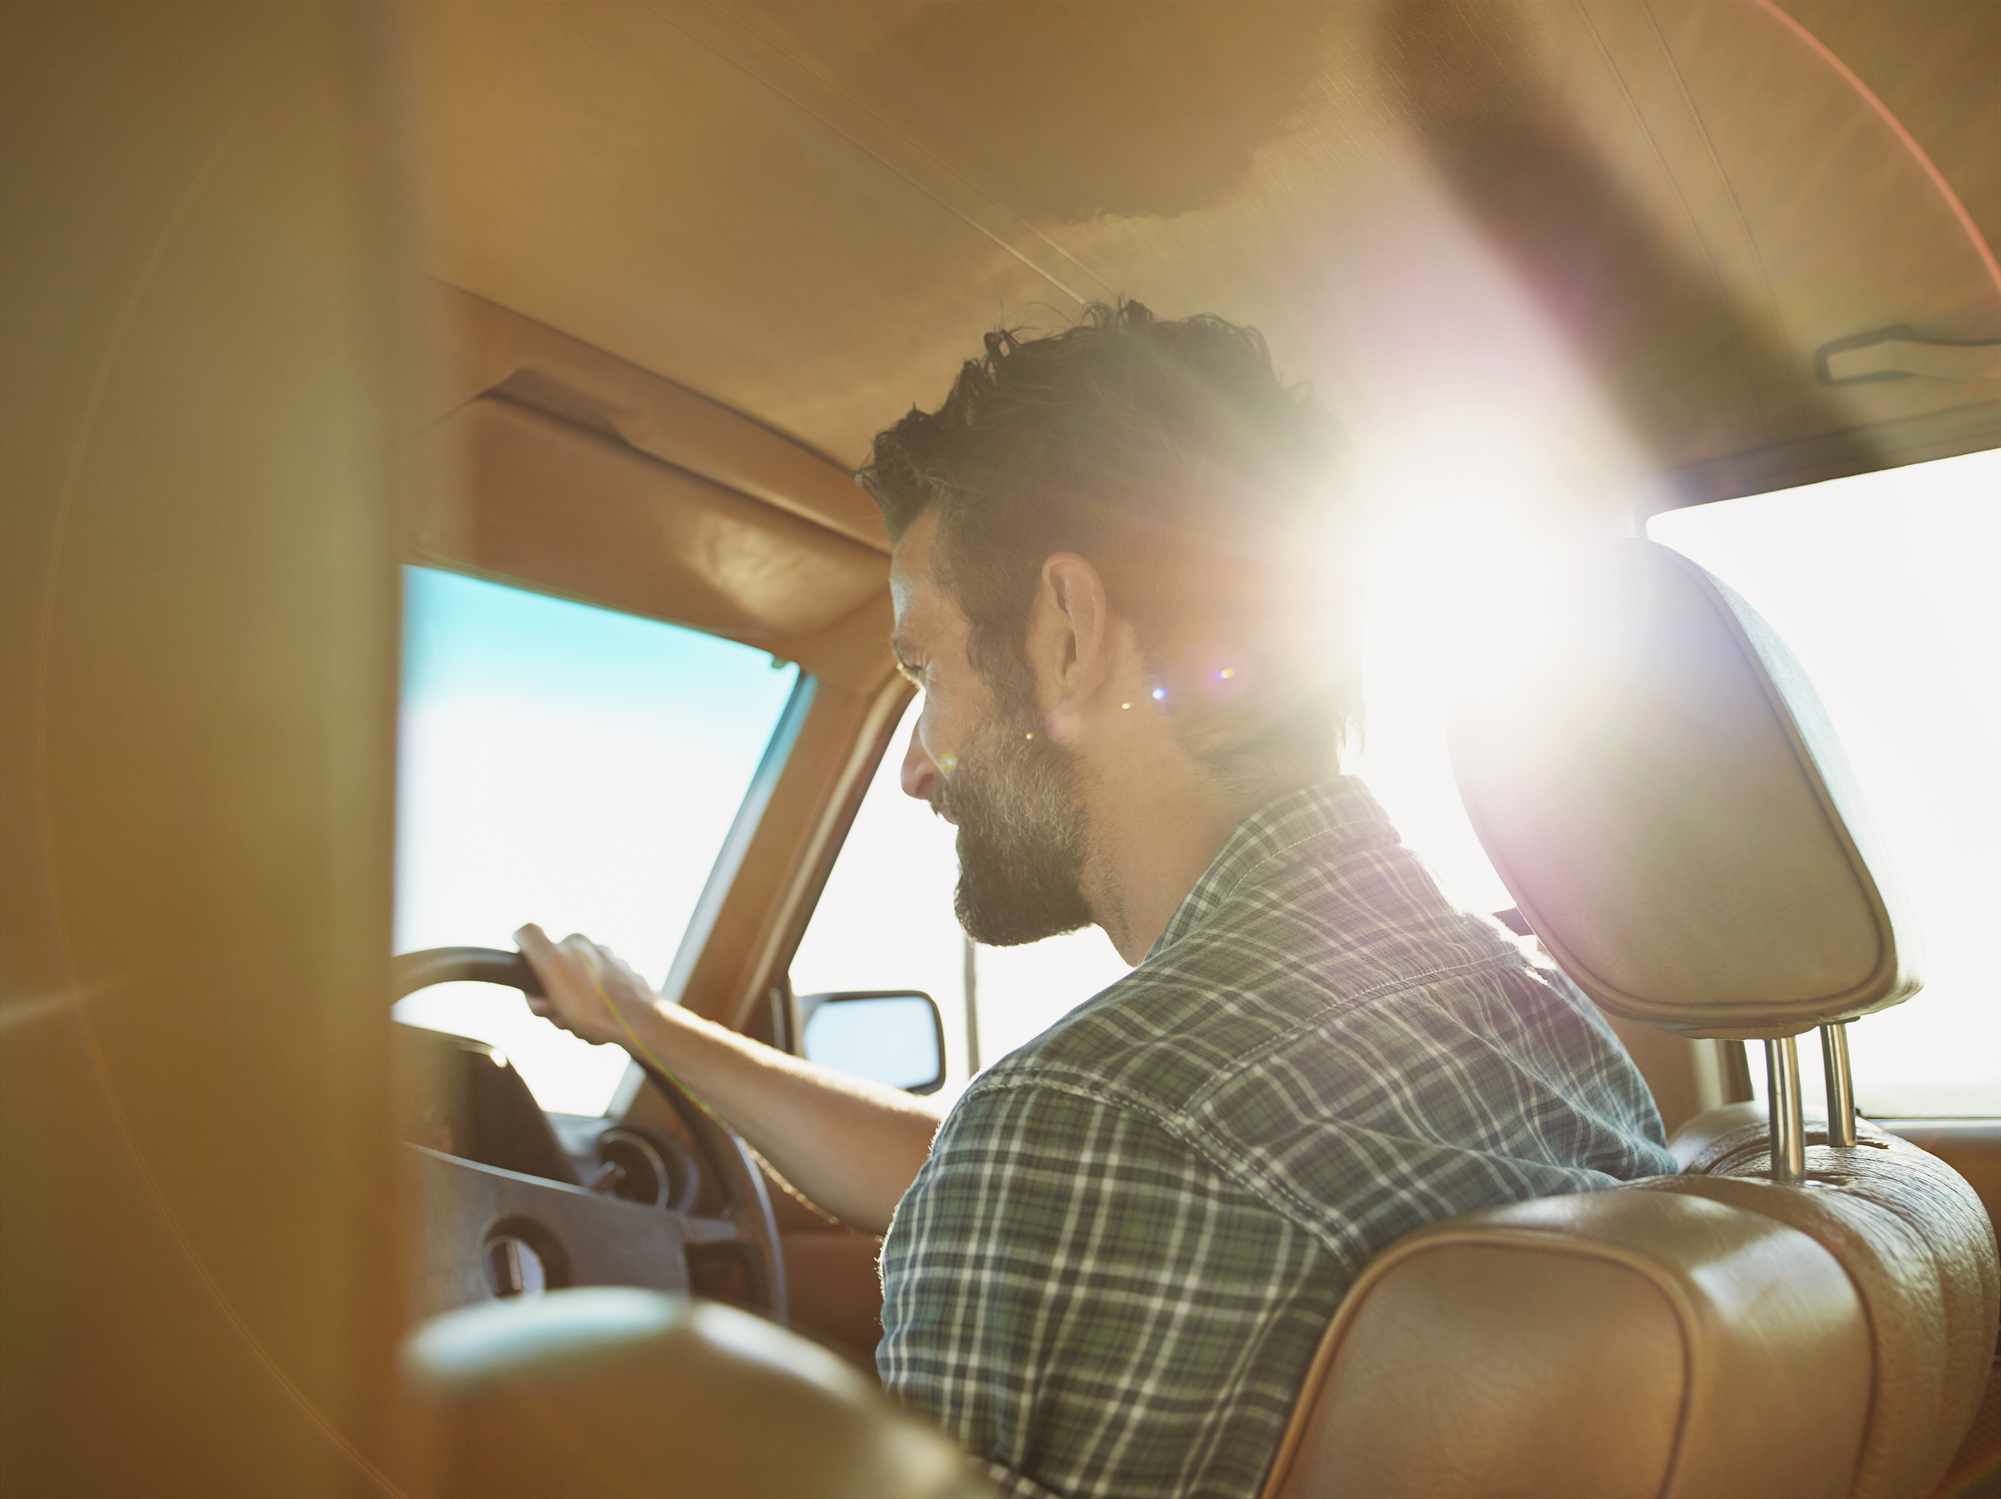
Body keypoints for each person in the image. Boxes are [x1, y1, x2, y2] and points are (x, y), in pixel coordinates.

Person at [515, 302, 1676, 1499]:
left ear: (1066, 633)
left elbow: (1073, 1150)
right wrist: (650, 1028)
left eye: (924, 667)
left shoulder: (1089, 1126)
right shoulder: (1542, 1027)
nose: (917, 760)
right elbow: (1034, 1164)